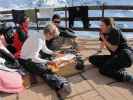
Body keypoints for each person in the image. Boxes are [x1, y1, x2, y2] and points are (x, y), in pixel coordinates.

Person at [19, 23, 71, 98]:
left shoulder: (40, 35)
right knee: (45, 71)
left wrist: (54, 53)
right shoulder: (39, 40)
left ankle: (59, 84)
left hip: (29, 56)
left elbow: (44, 49)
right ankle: (59, 85)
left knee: (47, 64)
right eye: (53, 36)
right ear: (49, 33)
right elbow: (34, 58)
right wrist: (48, 62)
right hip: (26, 61)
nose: (52, 38)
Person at [89, 18, 133, 83]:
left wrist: (103, 38)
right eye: (100, 25)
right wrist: (99, 51)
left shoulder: (115, 31)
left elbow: (113, 48)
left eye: (102, 25)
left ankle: (128, 77)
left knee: (103, 70)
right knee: (92, 59)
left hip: (125, 55)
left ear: (108, 26)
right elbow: (102, 42)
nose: (100, 27)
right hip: (115, 56)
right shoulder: (103, 31)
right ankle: (116, 66)